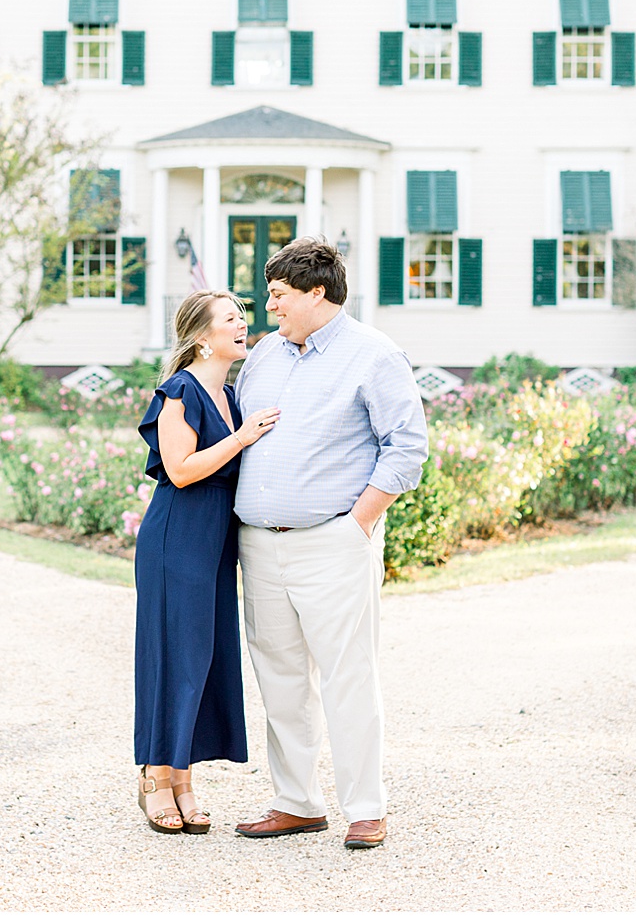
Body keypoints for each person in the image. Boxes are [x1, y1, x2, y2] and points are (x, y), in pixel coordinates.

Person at [231, 237, 428, 850]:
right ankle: (296, 802)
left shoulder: (374, 355)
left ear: (318, 292)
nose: (270, 308)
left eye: (280, 295)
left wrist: (359, 523)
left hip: (334, 542)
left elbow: (407, 446)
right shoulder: (264, 355)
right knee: (279, 679)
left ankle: (365, 808)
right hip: (260, 546)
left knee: (348, 675)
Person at [133, 289, 280, 834]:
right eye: (230, 320)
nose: (243, 326)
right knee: (173, 657)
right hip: (178, 539)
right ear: (201, 337)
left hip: (218, 542)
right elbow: (180, 469)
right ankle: (155, 777)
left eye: (243, 317)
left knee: (202, 660)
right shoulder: (181, 391)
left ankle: (185, 779)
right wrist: (242, 439)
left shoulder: (234, 394)